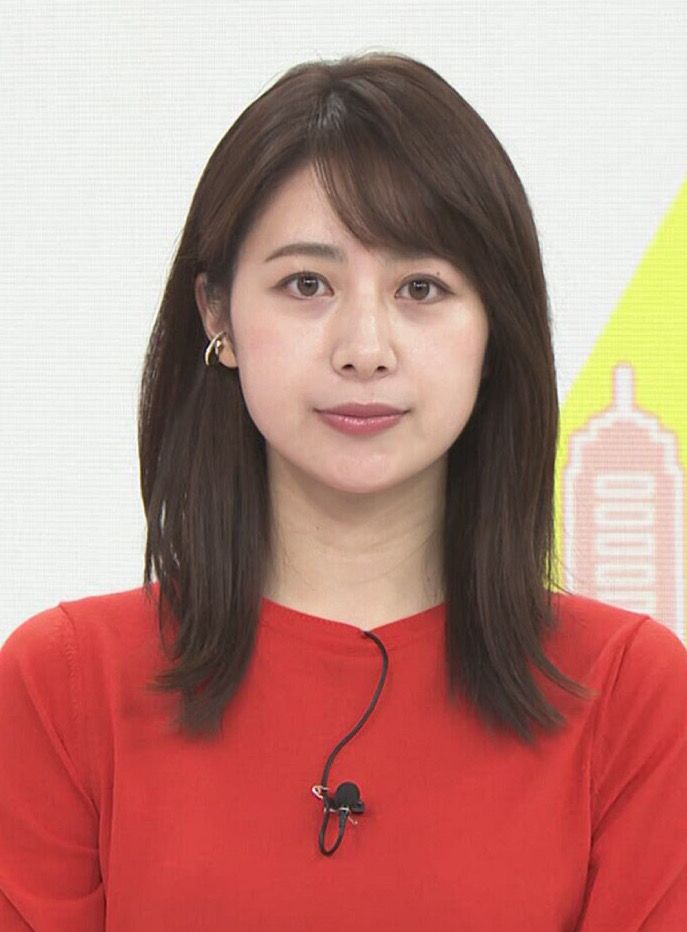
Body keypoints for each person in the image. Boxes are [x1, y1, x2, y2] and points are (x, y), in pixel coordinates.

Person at [1, 50, 686, 931]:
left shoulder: (629, 694)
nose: (364, 348)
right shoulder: (62, 686)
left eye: (421, 288)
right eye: (306, 284)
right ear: (217, 315)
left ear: (495, 328)